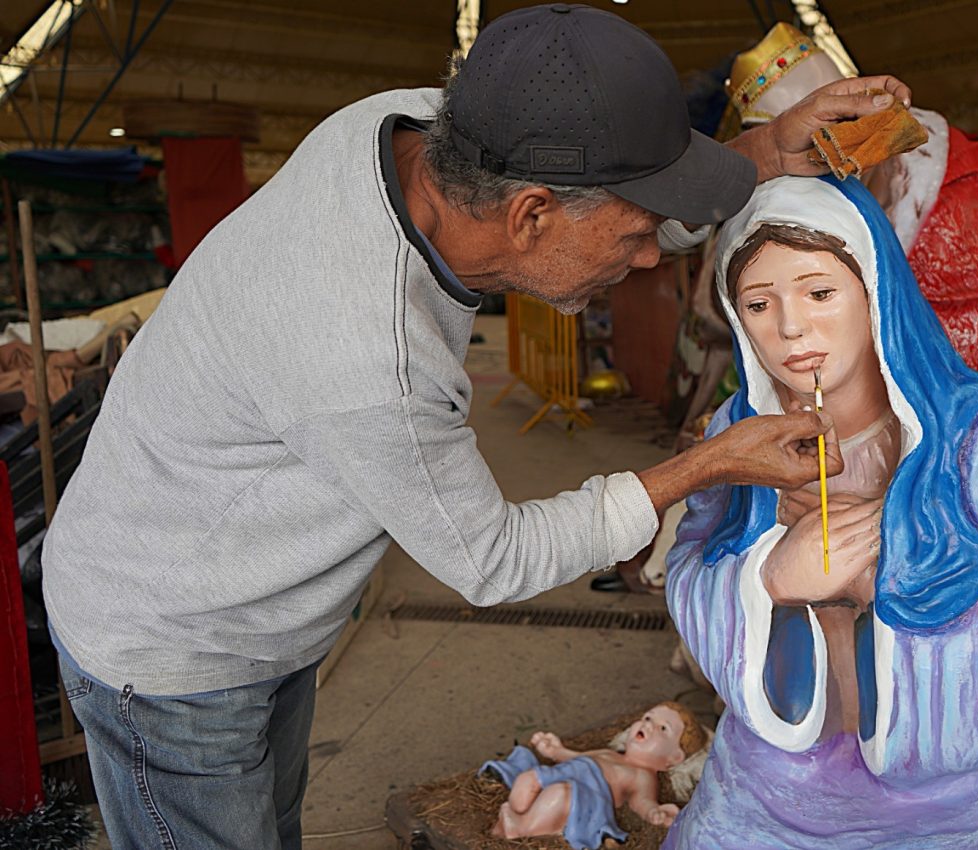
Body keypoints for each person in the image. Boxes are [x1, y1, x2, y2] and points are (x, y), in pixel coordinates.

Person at [40, 5, 912, 848]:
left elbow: (600, 200)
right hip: (173, 645)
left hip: (251, 599)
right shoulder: (371, 357)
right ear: (530, 215)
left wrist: (760, 152)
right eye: (640, 234)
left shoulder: (411, 128)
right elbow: (495, 559)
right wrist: (707, 466)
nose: (652, 256)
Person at [663, 175, 978, 849]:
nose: (791, 327)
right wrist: (771, 578)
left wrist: (887, 590)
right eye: (758, 303)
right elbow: (688, 568)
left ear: (876, 293)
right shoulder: (737, 436)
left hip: (960, 799)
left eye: (820, 292)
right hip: (770, 789)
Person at [481, 701, 706, 848]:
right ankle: (519, 813)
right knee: (527, 778)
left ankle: (521, 828)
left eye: (663, 728)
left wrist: (654, 812)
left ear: (673, 758)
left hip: (583, 794)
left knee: (559, 795)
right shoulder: (608, 753)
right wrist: (554, 750)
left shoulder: (641, 775)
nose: (649, 725)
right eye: (648, 718)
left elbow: (642, 801)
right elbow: (575, 757)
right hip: (560, 772)